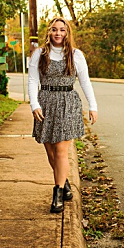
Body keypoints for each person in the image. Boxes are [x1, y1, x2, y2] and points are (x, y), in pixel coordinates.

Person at [29, 17, 98, 213]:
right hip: (46, 103)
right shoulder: (39, 54)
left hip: (68, 103)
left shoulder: (76, 55)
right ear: (48, 32)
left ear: (67, 33)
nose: (58, 33)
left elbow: (85, 82)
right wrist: (34, 104)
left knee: (61, 151)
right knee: (51, 152)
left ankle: (58, 193)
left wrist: (93, 106)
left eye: (62, 30)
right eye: (54, 30)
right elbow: (33, 81)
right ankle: (64, 181)